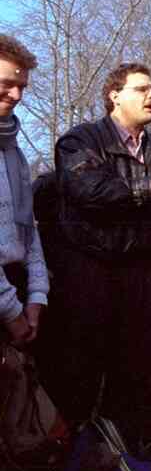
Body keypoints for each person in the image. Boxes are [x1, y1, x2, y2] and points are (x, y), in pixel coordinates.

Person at [44, 62, 151, 451]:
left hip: (142, 279)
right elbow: (91, 193)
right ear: (114, 95)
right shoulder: (80, 141)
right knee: (77, 379)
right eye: (142, 89)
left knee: (134, 382)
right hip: (88, 274)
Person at [0, 35, 48, 347]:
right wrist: (11, 310)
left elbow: (26, 226)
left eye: (23, 87)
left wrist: (37, 293)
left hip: (14, 290)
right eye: (6, 84)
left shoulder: (13, 151)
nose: (17, 95)